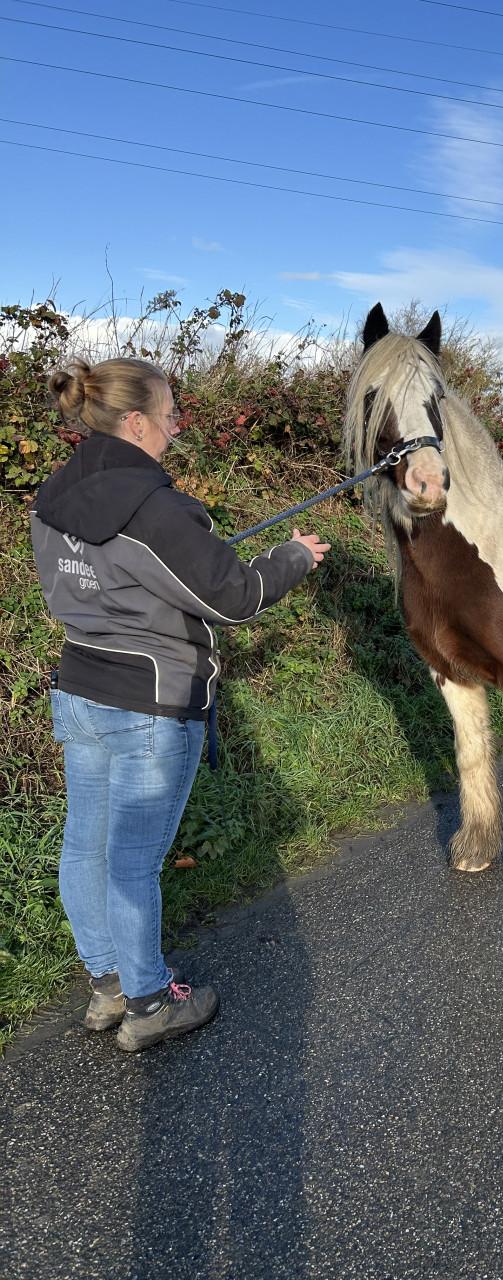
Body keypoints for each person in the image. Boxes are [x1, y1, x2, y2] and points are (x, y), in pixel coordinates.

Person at [30, 357, 330, 1052]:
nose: (176, 426)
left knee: (85, 846)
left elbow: (96, 582)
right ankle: (147, 1002)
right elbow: (235, 596)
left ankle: (108, 984)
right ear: (135, 422)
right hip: (149, 705)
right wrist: (291, 557)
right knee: (132, 862)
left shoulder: (54, 494)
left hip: (80, 690)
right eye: (169, 415)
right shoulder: (154, 508)